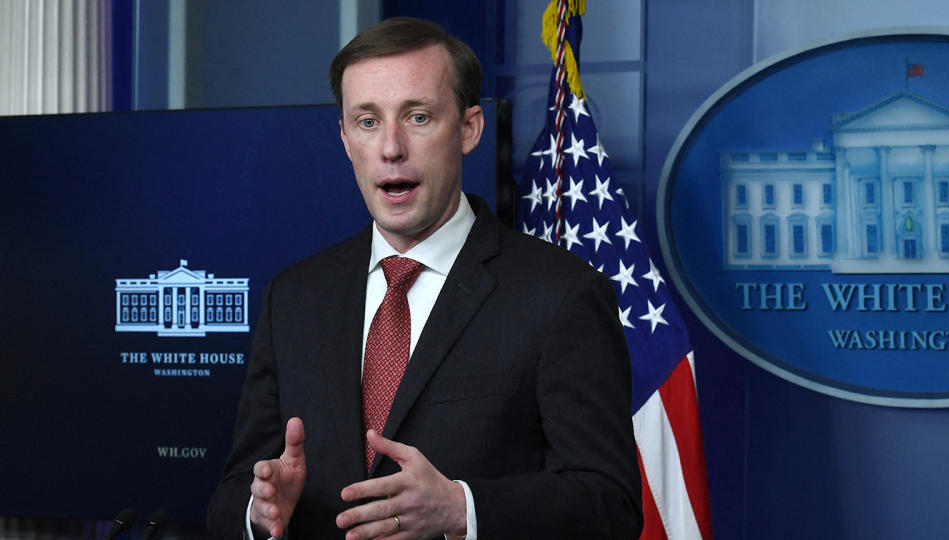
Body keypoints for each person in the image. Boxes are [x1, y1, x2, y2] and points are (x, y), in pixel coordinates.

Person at [207, 17, 642, 540]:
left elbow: (610, 506)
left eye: (417, 117)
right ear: (345, 139)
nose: (391, 147)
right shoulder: (296, 297)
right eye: (367, 122)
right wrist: (260, 512)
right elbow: (234, 492)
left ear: (468, 128)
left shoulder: (562, 295)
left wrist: (464, 509)